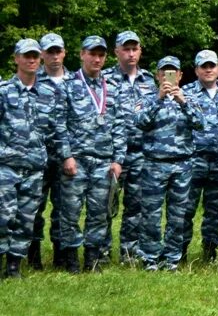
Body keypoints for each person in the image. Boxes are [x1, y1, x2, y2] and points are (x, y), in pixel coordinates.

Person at [56, 36, 126, 273]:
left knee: (99, 213)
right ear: (81, 54)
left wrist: (118, 160)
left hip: (103, 162)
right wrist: (66, 155)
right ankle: (71, 258)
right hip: (76, 160)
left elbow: (120, 127)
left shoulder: (112, 88)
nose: (97, 59)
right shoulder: (67, 84)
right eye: (92, 54)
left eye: (101, 55)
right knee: (70, 212)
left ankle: (93, 258)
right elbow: (59, 124)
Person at [135, 56, 204, 271]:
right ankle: (150, 257)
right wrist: (159, 99)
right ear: (158, 75)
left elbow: (201, 124)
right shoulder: (147, 98)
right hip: (154, 165)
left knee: (178, 215)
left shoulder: (190, 99)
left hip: (182, 166)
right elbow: (140, 123)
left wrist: (182, 101)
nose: (168, 76)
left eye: (173, 72)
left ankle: (172, 258)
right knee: (151, 214)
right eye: (164, 72)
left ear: (181, 76)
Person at [102, 31, 158, 264]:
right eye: (126, 49)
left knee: (136, 205)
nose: (131, 53)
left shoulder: (148, 80)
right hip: (112, 152)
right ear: (116, 52)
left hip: (140, 152)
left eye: (135, 49)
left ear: (140, 51)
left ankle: (129, 252)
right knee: (105, 204)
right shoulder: (104, 78)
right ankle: (101, 252)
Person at [0, 39, 51, 278]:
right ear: (16, 58)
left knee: (25, 219)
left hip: (34, 168)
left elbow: (56, 130)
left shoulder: (47, 94)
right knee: (3, 216)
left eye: (34, 56)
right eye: (26, 56)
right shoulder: (3, 92)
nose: (31, 60)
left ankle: (14, 266)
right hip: (6, 167)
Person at [182, 49, 218, 263]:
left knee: (214, 210)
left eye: (211, 66)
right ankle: (180, 251)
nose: (208, 70)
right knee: (186, 208)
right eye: (203, 66)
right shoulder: (185, 94)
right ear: (196, 70)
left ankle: (210, 251)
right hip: (193, 159)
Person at [30, 32, 71, 269]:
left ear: (64, 52)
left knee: (64, 208)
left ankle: (60, 255)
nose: (55, 56)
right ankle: (33, 256)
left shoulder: (77, 81)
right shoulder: (32, 81)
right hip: (38, 156)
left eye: (58, 51)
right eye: (49, 52)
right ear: (42, 54)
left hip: (65, 157)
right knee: (34, 206)